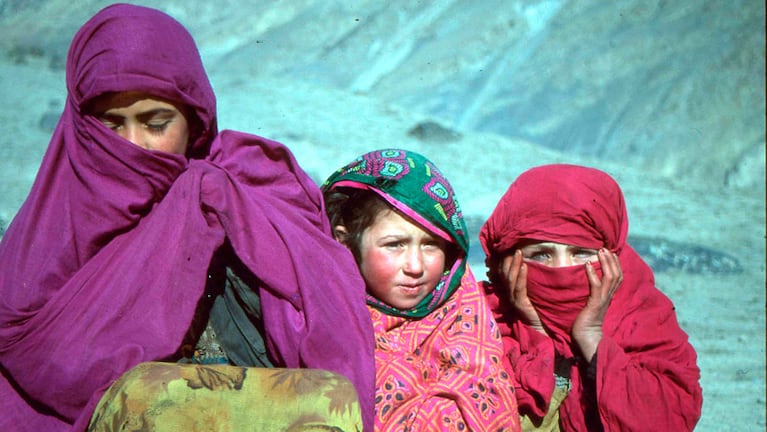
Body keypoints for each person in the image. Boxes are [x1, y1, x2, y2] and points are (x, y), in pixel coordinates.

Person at [0, 4, 374, 431]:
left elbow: (325, 351)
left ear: (194, 122)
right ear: (83, 127)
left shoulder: (245, 196)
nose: (134, 144)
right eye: (110, 125)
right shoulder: (47, 234)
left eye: (156, 123)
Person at [479, 164, 703, 431]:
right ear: (508, 263)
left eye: (581, 253)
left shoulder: (642, 316)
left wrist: (591, 337)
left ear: (611, 256)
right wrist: (534, 332)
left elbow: (668, 419)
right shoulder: (477, 319)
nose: (562, 269)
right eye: (541, 254)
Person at [322, 149, 521, 431]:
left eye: (431, 244)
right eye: (394, 244)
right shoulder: (320, 317)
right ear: (345, 242)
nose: (415, 266)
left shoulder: (464, 311)